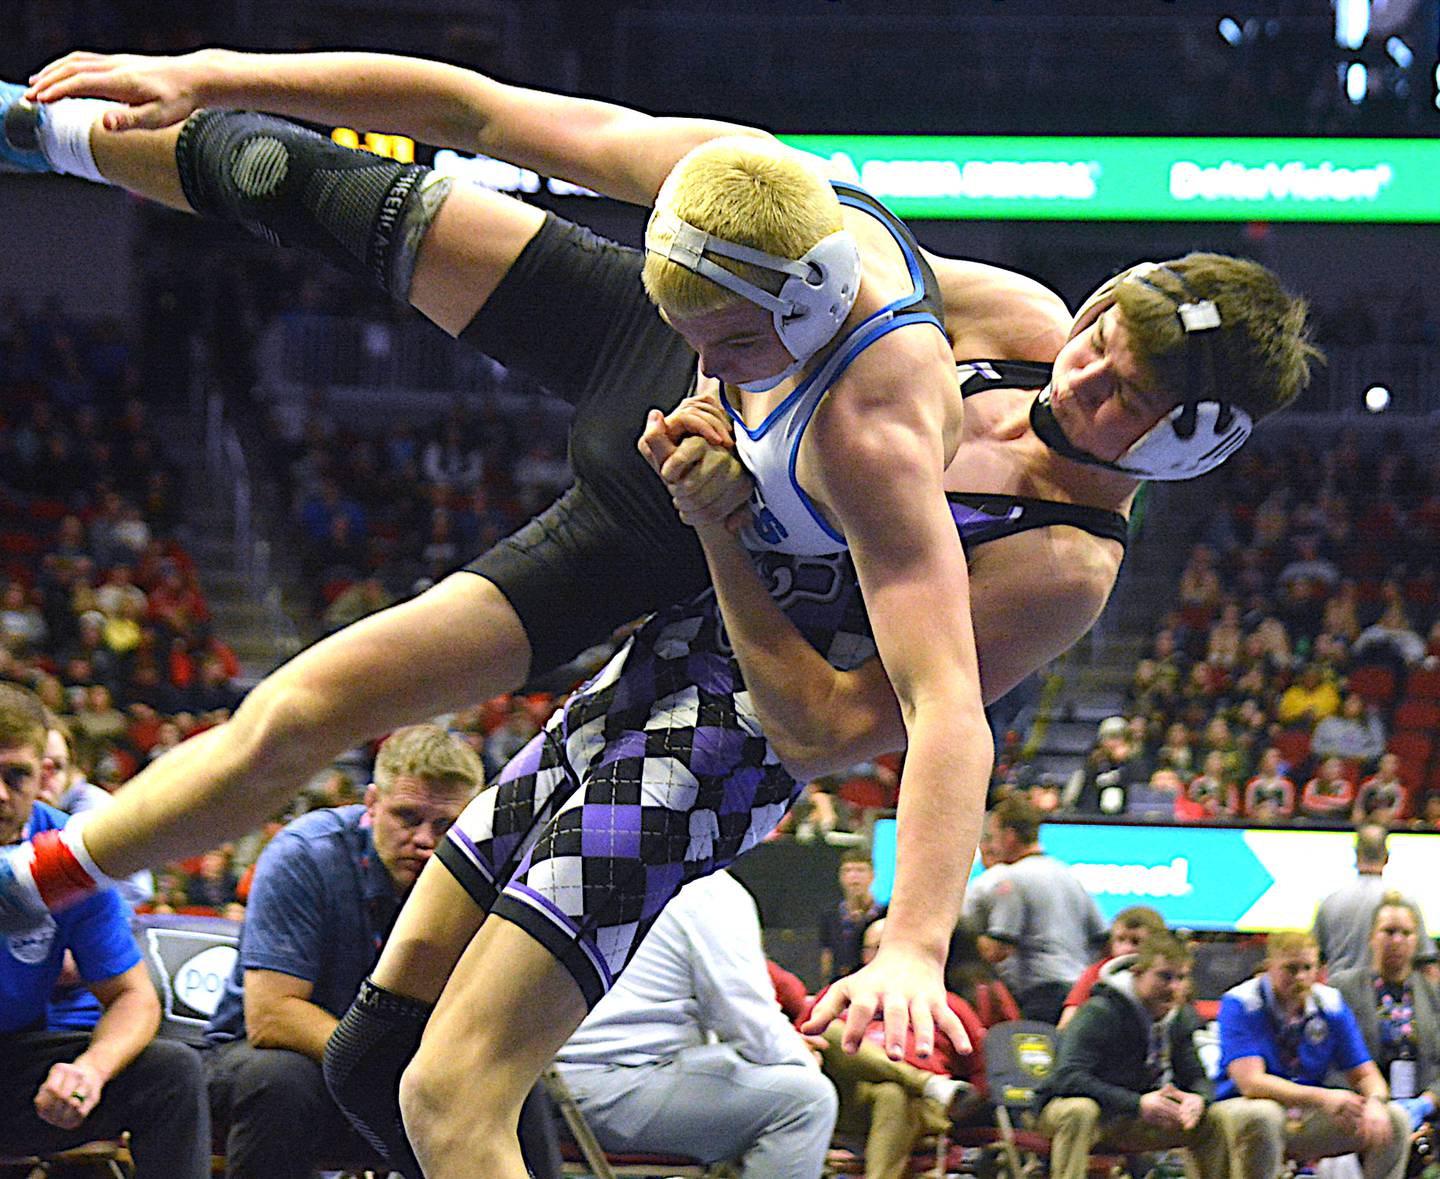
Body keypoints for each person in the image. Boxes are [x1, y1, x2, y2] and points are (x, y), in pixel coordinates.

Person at [1, 46, 1316, 1176]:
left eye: (1124, 394)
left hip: (718, 681)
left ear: (1190, 445)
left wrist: (917, 939)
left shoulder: (1025, 539)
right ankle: (41, 126)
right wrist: (211, 71)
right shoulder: (941, 290)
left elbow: (867, 722)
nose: (1080, 379)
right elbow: (484, 111)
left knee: (445, 1088)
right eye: (1097, 341)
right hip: (681, 467)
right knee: (367, 1044)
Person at [202, 725, 487, 1179]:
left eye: (445, 826)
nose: (424, 840)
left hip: (392, 1072)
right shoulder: (304, 855)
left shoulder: (477, 871)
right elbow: (272, 1016)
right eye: (407, 817)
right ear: (371, 803)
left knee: (507, 1090)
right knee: (279, 1080)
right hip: (271, 1060)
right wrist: (392, 1070)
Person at [0, 684, 209, 1178]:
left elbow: (133, 997)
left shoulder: (66, 853)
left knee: (171, 1072)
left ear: (45, 776)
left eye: (15, 776)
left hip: (13, 1067)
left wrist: (90, 1070)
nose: (0, 795)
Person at [553, 871, 838, 1179]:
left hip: (543, 1090)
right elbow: (746, 1020)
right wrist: (803, 1060)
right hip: (605, 1095)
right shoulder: (707, 887)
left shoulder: (587, 872)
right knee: (807, 1101)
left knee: (744, 1066)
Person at [1037, 932, 1242, 1179]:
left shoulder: (1179, 1017)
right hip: (1070, 1110)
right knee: (1080, 1110)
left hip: (1129, 1115)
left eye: (1181, 978)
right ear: (1137, 973)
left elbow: (1197, 1076)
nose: (1174, 987)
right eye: (1164, 977)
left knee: (1214, 1118)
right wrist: (1137, 1103)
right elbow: (1068, 1078)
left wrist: (1198, 1099)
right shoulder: (1100, 1011)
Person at [1211, 931, 1409, 1179]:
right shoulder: (1242, 1002)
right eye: (1291, 969)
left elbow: (1365, 1073)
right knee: (1264, 1115)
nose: (1301, 977)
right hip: (1241, 1108)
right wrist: (1324, 1098)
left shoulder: (1330, 1003)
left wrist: (1376, 1103)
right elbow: (1251, 1083)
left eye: (1308, 968)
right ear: (1269, 967)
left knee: (1394, 1119)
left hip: (1304, 1112)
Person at [969, 795, 1108, 1023]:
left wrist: (963, 941)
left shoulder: (1009, 878)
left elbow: (998, 949)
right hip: (1077, 994)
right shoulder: (1069, 876)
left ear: (1009, 835)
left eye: (994, 837)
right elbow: (1104, 940)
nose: (992, 845)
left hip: (1037, 996)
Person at [1330, 892, 1440, 1136]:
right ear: (1372, 937)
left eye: (1406, 933)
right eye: (1389, 931)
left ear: (1417, 940)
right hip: (1360, 1110)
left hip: (1425, 1112)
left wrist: (1429, 1101)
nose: (1397, 940)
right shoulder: (1342, 989)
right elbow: (1329, 1062)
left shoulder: (1433, 994)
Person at [1314, 824, 1434, 977]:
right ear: (1387, 857)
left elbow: (1316, 956)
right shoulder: (1405, 904)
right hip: (1386, 990)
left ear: (1356, 854)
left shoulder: (1329, 902)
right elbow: (1425, 962)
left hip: (1338, 988)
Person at [1056, 905, 1166, 1031]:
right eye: (1120, 940)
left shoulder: (1168, 972)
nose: (1126, 949)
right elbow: (1067, 1023)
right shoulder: (1096, 972)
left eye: (1136, 942)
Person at [818, 850, 885, 985]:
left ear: (872, 875)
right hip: (839, 983)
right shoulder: (830, 915)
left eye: (860, 870)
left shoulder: (885, 914)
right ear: (841, 877)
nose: (854, 876)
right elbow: (826, 954)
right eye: (848, 870)